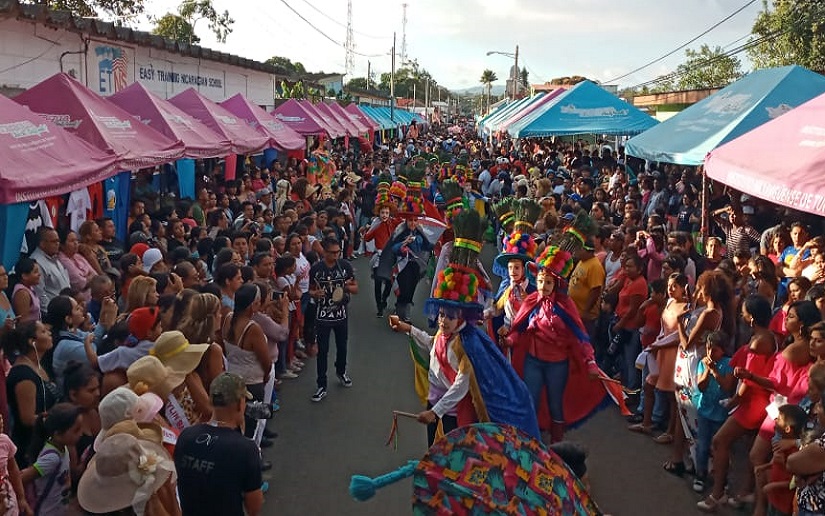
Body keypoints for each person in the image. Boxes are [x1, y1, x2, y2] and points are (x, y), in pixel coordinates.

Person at [507, 245, 606, 443]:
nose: (543, 286)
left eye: (548, 282)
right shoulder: (532, 300)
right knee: (531, 401)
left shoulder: (565, 306)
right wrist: (508, 339)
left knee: (555, 405)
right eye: (540, 281)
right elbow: (518, 330)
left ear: (556, 284)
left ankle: (557, 447)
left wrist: (591, 362)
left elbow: (580, 337)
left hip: (557, 364)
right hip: (533, 360)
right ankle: (529, 444)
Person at [174, 372, 263, 516]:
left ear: (211, 400)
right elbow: (254, 507)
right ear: (241, 404)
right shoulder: (246, 449)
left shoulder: (186, 436)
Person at [3, 321, 60, 466]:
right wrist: (60, 419)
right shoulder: (24, 376)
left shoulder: (38, 365)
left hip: (47, 439)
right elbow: (28, 419)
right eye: (43, 332)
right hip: (32, 447)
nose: (49, 333)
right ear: (32, 342)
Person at [308, 237, 358, 402]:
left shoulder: (345, 266)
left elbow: (355, 288)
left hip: (341, 315)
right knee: (322, 351)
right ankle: (321, 384)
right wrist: (316, 294)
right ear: (324, 251)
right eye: (332, 253)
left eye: (338, 252)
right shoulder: (316, 269)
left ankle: (341, 371)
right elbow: (311, 290)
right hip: (322, 316)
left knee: (342, 346)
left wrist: (344, 288)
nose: (336, 255)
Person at [20, 403, 83, 516]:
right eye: (76, 430)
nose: (81, 434)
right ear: (58, 433)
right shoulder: (52, 458)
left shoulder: (63, 449)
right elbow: (21, 478)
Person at [693, 331, 734, 493]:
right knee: (702, 446)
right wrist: (706, 371)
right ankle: (700, 474)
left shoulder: (729, 364)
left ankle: (721, 478)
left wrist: (715, 371)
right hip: (704, 411)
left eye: (715, 349)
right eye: (708, 348)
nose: (710, 353)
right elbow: (701, 386)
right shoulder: (703, 363)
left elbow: (727, 386)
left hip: (720, 414)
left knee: (720, 447)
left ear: (723, 350)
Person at [754, 403, 807, 516]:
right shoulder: (782, 444)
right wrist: (764, 467)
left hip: (784, 501)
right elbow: (775, 462)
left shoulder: (795, 452)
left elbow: (794, 482)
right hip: (774, 497)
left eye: (779, 419)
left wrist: (772, 486)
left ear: (787, 429)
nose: (775, 420)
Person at [29, 227, 70, 316]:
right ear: (42, 244)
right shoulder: (37, 262)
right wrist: (52, 314)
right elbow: (39, 294)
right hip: (54, 314)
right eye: (53, 241)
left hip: (67, 310)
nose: (57, 244)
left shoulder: (54, 257)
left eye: (58, 241)